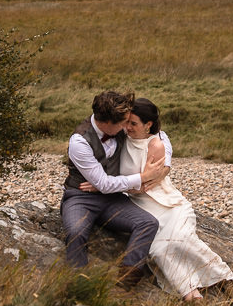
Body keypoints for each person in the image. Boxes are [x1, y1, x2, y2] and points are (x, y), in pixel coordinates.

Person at [109, 97, 233, 301]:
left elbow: (142, 186)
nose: (127, 127)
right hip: (139, 207)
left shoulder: (156, 145)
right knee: (158, 250)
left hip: (167, 203)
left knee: (181, 238)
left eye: (133, 123)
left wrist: (116, 183)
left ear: (148, 125)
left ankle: (227, 278)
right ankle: (192, 295)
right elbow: (136, 185)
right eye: (126, 121)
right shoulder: (120, 138)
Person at [61, 88, 169, 284]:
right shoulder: (79, 141)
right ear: (107, 123)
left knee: (148, 223)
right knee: (76, 232)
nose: (127, 127)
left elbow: (159, 136)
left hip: (113, 200)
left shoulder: (119, 129)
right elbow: (103, 183)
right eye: (123, 123)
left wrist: (165, 165)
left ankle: (127, 280)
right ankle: (79, 283)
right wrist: (143, 176)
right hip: (80, 198)